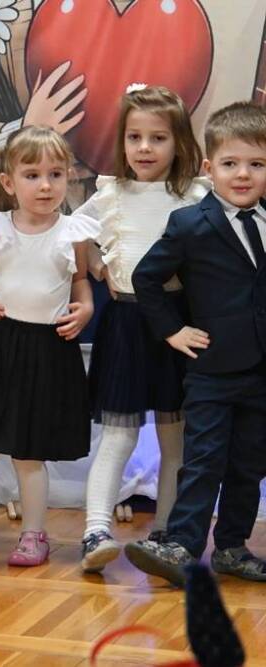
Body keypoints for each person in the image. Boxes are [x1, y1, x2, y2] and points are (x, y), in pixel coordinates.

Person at [0, 126, 98, 567]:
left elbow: (80, 284)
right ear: (8, 182)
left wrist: (85, 309)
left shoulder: (73, 232)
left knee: (30, 451)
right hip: (2, 346)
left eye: (55, 174)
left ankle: (33, 535)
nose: (45, 185)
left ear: (68, 177)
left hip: (50, 350)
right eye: (32, 175)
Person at [126, 101, 266, 586]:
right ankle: (181, 546)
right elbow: (146, 278)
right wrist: (172, 330)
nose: (243, 174)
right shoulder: (190, 224)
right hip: (211, 370)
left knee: (250, 464)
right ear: (210, 167)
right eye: (230, 163)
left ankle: (233, 547)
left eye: (256, 164)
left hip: (261, 373)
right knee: (203, 459)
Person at [78, 85, 209, 573]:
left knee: (176, 439)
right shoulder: (110, 193)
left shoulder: (195, 194)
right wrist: (98, 266)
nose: (145, 148)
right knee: (118, 436)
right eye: (134, 137)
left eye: (158, 138)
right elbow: (75, 234)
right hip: (127, 324)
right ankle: (95, 530)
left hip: (177, 324)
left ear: (180, 142)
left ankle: (167, 532)